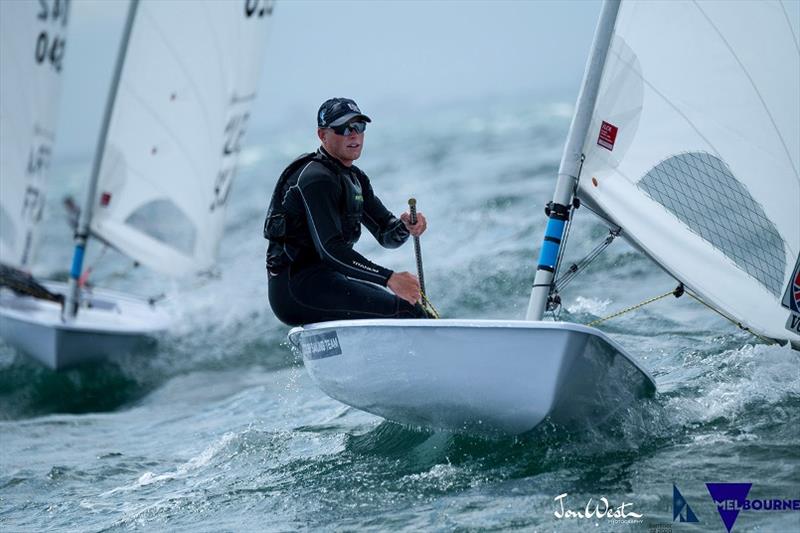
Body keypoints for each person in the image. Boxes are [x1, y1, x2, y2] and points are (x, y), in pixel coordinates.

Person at [264, 97, 429, 326]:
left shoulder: (355, 178)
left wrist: (406, 226)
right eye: (343, 129)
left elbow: (386, 235)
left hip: (327, 281)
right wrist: (389, 278)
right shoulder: (315, 179)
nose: (353, 135)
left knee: (411, 306)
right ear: (322, 135)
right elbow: (330, 251)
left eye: (359, 127)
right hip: (296, 289)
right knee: (408, 312)